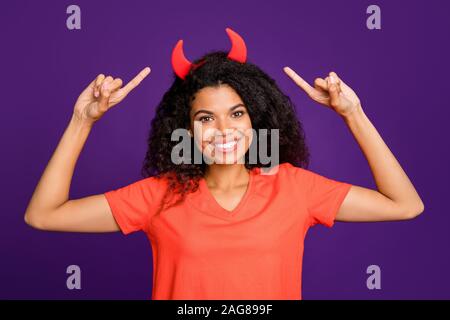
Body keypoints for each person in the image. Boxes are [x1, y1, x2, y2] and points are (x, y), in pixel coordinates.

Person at [24, 28, 424, 300]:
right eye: (205, 119)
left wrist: (352, 113)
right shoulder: (159, 195)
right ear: (186, 129)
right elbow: (44, 215)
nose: (222, 130)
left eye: (236, 114)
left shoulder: (295, 188)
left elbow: (405, 205)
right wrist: (82, 120)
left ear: (256, 119)